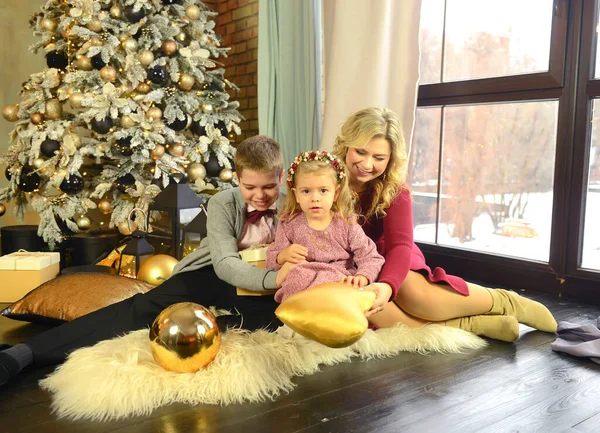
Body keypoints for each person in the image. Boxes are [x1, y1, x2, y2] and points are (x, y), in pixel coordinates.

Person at [0, 135, 295, 387]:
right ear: (238, 178)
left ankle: (200, 329)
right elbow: (225, 263)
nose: (259, 196)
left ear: (280, 178)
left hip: (260, 286)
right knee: (141, 308)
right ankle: (23, 354)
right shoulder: (222, 202)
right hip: (212, 273)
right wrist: (273, 279)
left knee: (275, 319)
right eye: (249, 187)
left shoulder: (291, 205)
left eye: (268, 187)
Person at [331, 107, 558, 342]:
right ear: (346, 145)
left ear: (390, 160)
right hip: (347, 265)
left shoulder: (395, 190)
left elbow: (400, 245)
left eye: (379, 158)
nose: (367, 164)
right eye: (360, 152)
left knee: (414, 294)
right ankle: (471, 324)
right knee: (368, 306)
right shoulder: (324, 180)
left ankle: (505, 301)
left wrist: (388, 286)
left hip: (391, 254)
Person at [266, 150, 384, 302]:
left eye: (323, 191)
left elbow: (371, 256)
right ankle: (300, 314)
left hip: (337, 280)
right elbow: (271, 258)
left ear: (335, 194)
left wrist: (362, 277)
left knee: (345, 289)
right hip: (303, 281)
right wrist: (282, 256)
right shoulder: (289, 223)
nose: (315, 198)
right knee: (295, 277)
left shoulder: (346, 223)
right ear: (296, 195)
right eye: (306, 191)